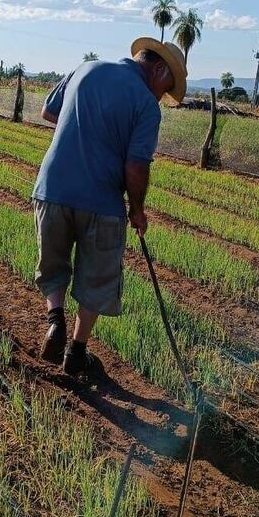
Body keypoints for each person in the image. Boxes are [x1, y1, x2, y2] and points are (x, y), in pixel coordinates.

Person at [32, 36, 187, 376]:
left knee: (53, 264)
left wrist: (85, 133)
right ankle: (76, 351)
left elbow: (49, 111)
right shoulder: (146, 105)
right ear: (158, 68)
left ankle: (54, 319)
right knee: (97, 278)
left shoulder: (86, 68)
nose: (162, 95)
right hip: (101, 201)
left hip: (51, 189)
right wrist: (138, 209)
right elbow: (136, 165)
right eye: (167, 86)